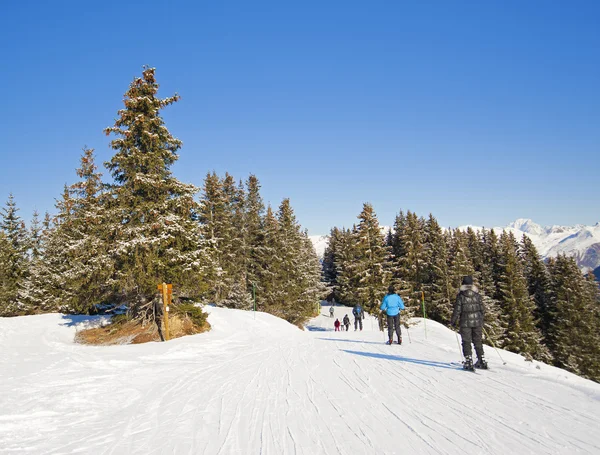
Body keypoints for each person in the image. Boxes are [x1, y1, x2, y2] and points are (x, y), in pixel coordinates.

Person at [451, 276, 487, 370]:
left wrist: (453, 321)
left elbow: (457, 310)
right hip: (477, 322)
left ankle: (468, 360)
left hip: (465, 322)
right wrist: (481, 318)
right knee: (477, 341)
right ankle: (482, 360)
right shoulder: (477, 295)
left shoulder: (461, 296)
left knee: (466, 341)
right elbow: (482, 309)